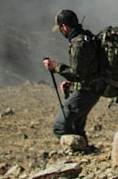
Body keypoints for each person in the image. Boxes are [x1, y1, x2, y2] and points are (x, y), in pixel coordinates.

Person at [42, 9, 101, 145]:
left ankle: (78, 154)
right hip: (91, 90)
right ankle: (86, 153)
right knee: (76, 127)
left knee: (60, 127)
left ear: (65, 27)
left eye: (60, 29)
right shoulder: (86, 37)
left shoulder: (78, 43)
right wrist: (72, 84)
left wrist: (55, 66)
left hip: (85, 92)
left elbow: (77, 74)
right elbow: (86, 71)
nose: (61, 32)